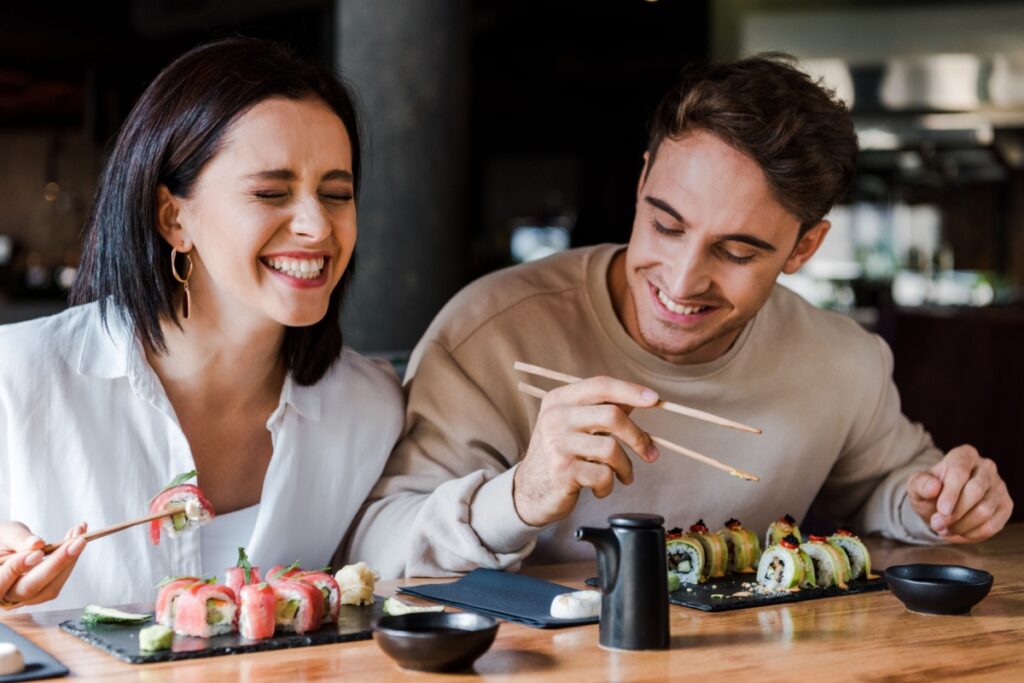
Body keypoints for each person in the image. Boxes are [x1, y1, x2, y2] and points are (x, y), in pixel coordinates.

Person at [348, 54, 1013, 578]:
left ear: (804, 247)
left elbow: (884, 488)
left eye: (734, 250)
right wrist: (519, 495)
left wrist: (940, 500)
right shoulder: (490, 334)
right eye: (666, 224)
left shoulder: (842, 359)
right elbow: (376, 546)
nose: (682, 279)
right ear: (642, 183)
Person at [0, 37, 403, 611]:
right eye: (271, 192)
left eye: (336, 193)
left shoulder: (370, 409)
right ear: (173, 217)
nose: (318, 226)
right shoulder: (15, 379)